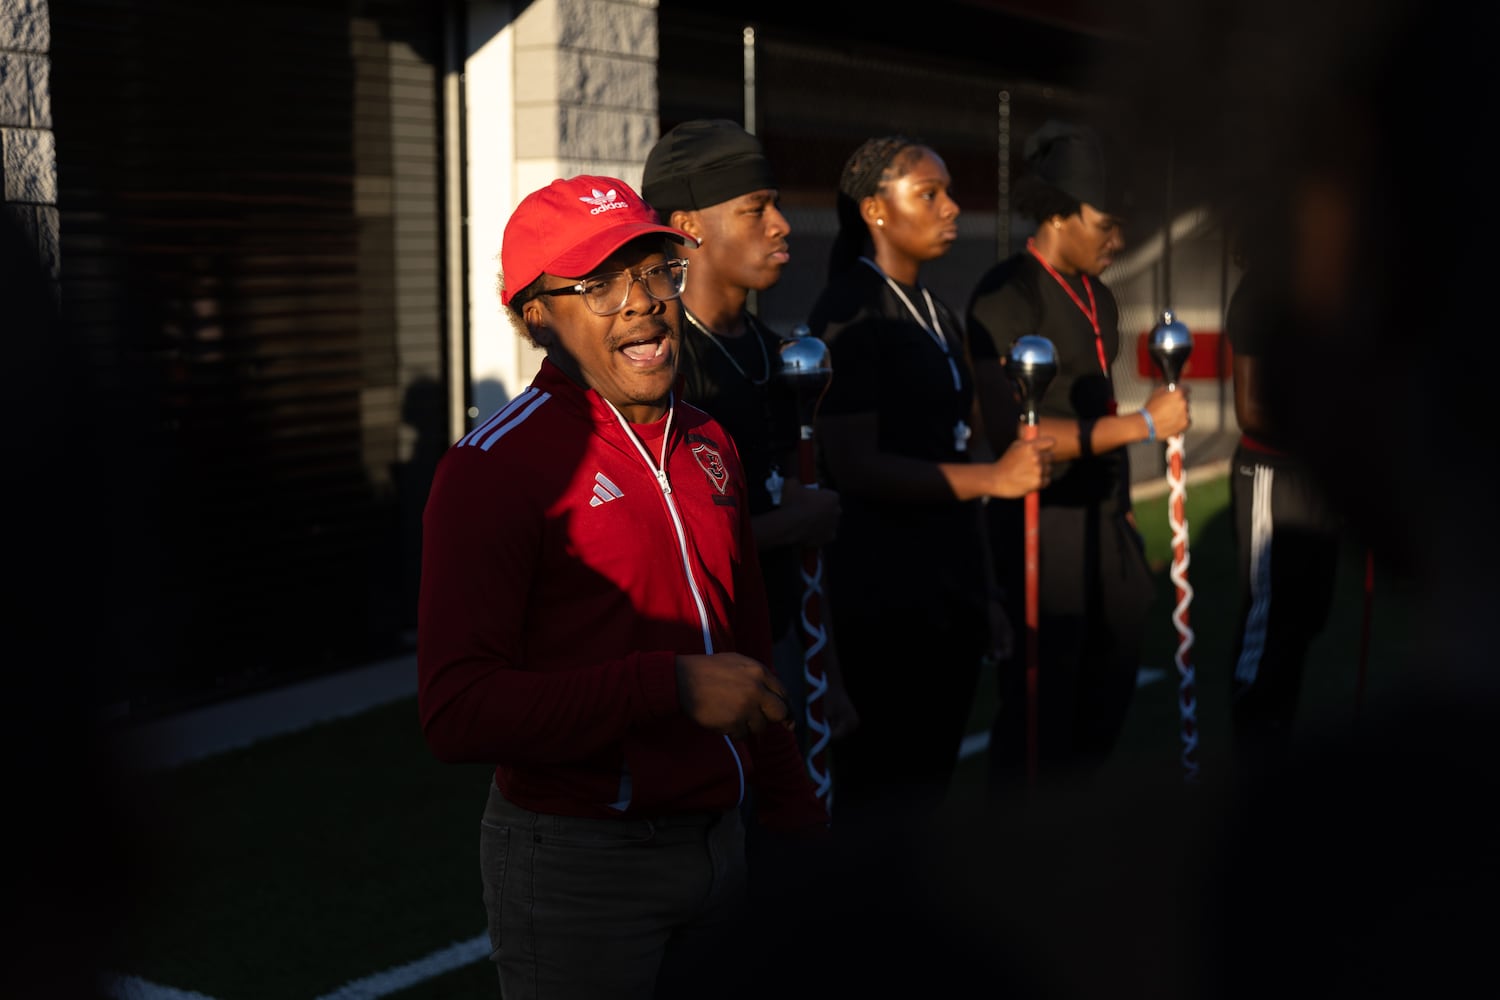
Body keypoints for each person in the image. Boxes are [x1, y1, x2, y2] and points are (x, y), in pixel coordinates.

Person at [416, 174, 828, 999]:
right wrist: (665, 686)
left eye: (654, 271)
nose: (640, 301)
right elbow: (457, 710)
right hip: (581, 866)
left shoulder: (711, 441)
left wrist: (794, 814)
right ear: (536, 313)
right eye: (599, 284)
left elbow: (745, 651)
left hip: (724, 843)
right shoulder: (491, 469)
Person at [806, 134, 1054, 844]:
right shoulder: (848, 310)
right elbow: (855, 465)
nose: (951, 208)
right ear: (875, 210)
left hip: (944, 591)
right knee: (876, 800)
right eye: (930, 194)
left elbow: (952, 444)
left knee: (927, 792)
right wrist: (996, 477)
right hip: (879, 598)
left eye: (948, 192)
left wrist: (985, 593)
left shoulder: (937, 311)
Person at [966, 119, 1190, 798]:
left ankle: (1069, 821)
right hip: (1042, 523)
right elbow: (1015, 436)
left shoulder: (1100, 295)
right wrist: (1144, 424)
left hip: (1105, 515)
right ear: (1059, 214)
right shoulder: (1006, 295)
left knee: (1113, 675)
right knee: (1040, 707)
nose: (1117, 241)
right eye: (1106, 223)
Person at [641, 118, 858, 780]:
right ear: (689, 224)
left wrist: (832, 674)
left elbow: (807, 538)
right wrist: (791, 521)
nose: (781, 225)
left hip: (788, 639)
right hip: (702, 666)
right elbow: (659, 541)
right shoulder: (661, 366)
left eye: (778, 206)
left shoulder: (774, 352)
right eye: (755, 209)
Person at [1222, 223, 1345, 779]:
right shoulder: (1258, 293)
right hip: (1272, 474)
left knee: (1305, 620)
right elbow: (1250, 409)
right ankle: (1251, 768)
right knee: (1267, 633)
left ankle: (1277, 755)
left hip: (1316, 478)